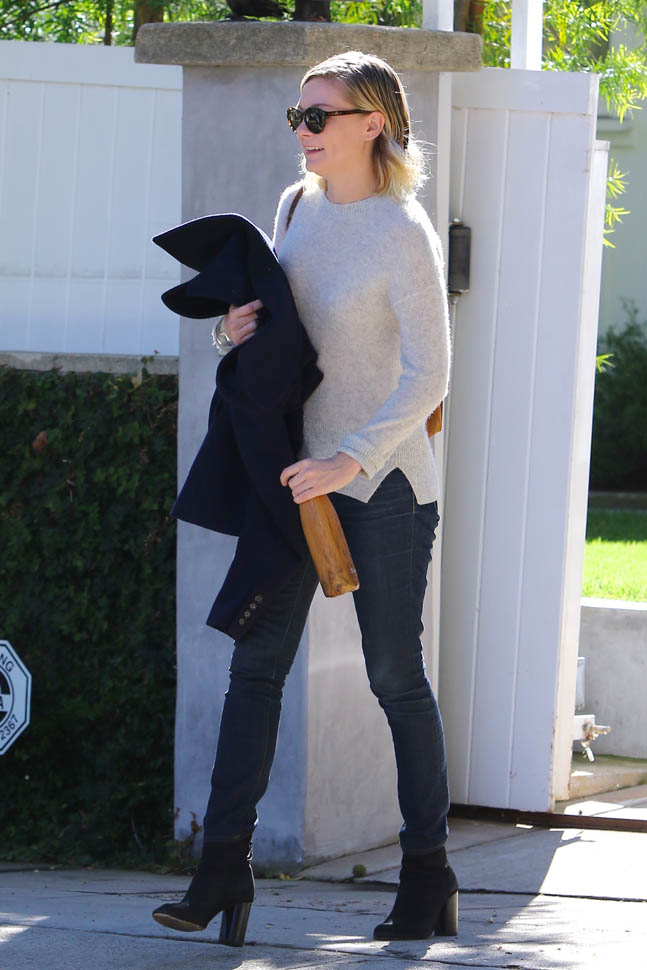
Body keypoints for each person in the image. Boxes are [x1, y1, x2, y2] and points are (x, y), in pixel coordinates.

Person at [153, 49, 456, 947]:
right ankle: (222, 868)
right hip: (291, 480)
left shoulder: (404, 232)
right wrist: (231, 331)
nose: (304, 132)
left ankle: (428, 874)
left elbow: (430, 375)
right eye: (298, 116)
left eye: (319, 116)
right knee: (255, 669)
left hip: (383, 482)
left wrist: (349, 461)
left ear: (373, 123)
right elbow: (280, 337)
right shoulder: (293, 208)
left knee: (394, 676)